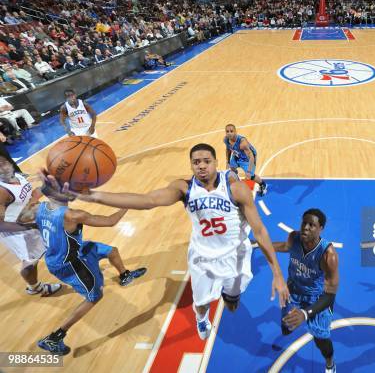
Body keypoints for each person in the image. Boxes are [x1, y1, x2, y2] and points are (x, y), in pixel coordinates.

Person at [43, 143, 289, 340]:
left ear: (216, 163)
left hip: (236, 256)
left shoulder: (236, 190)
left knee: (233, 297)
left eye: (206, 161)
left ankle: (230, 295)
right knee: (201, 302)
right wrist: (93, 196)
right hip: (203, 258)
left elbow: (261, 232)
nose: (201, 166)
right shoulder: (184, 188)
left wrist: (277, 274)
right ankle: (201, 318)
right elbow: (148, 200)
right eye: (196, 162)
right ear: (191, 165)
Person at [17, 184, 147, 355]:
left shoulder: (38, 208)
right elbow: (110, 221)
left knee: (111, 250)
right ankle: (55, 337)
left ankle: (124, 275)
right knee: (95, 296)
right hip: (69, 264)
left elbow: (20, 218)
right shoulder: (73, 215)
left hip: (69, 252)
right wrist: (127, 205)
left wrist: (40, 215)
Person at [272, 208, 339, 373]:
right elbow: (284, 246)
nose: (306, 227)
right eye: (304, 223)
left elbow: (330, 296)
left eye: (312, 225)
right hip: (293, 290)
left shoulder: (328, 255)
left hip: (316, 299)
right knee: (286, 329)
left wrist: (305, 313)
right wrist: (258, 244)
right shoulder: (293, 237)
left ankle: (330, 363)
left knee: (321, 341)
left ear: (320, 228)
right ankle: (294, 320)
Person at [0, 156, 62, 296]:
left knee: (53, 240)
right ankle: (35, 288)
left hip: (29, 220)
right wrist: (28, 228)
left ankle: (72, 261)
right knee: (29, 261)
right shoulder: (2, 191)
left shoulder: (18, 176)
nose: (3, 167)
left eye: (3, 162)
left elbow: (31, 195)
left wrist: (47, 185)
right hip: (14, 230)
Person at [224, 124, 267, 196]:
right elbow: (228, 150)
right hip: (237, 154)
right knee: (231, 170)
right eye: (227, 131)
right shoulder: (226, 140)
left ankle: (262, 184)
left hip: (247, 158)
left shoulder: (242, 142)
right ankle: (236, 184)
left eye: (231, 131)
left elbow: (251, 157)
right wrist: (227, 162)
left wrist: (249, 172)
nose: (229, 133)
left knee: (251, 176)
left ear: (235, 132)